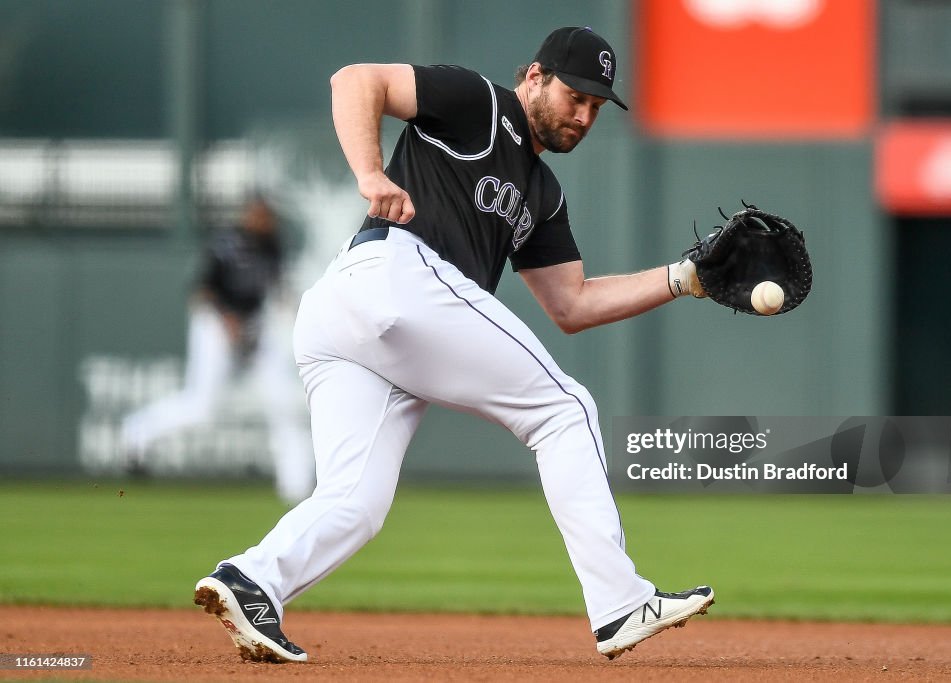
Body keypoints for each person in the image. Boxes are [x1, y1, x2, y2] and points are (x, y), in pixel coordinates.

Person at [193, 26, 713, 662]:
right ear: (534, 77)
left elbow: (572, 305)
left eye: (596, 106)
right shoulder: (480, 103)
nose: (583, 114)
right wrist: (369, 173)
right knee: (564, 410)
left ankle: (252, 581)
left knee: (356, 503)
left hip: (360, 319)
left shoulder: (544, 196)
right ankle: (620, 603)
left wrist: (682, 278)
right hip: (393, 273)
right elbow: (355, 80)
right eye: (574, 95)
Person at [120, 196, 315, 505]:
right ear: (249, 215)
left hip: (253, 326)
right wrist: (228, 325)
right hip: (215, 324)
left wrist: (294, 315)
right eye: (262, 215)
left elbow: (279, 290)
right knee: (201, 406)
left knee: (282, 403)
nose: (267, 221)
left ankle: (297, 488)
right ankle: (136, 433)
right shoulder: (226, 243)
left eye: (269, 217)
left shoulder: (272, 244)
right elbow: (201, 292)